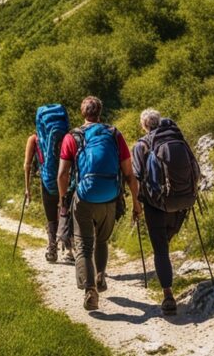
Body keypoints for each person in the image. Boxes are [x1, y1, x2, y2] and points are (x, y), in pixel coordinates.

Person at [58, 96, 141, 311]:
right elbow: (129, 174)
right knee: (102, 240)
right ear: (100, 112)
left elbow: (62, 174)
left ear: (82, 113)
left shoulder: (72, 137)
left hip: (84, 198)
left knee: (84, 247)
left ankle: (90, 290)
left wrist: (63, 199)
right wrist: (136, 203)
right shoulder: (114, 134)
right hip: (110, 197)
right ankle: (101, 275)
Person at [132, 108, 200, 316]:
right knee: (166, 241)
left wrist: (137, 206)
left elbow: (136, 177)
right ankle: (167, 272)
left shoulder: (141, 145)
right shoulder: (178, 140)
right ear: (159, 122)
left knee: (160, 249)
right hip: (182, 202)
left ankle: (168, 295)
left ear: (144, 125)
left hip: (156, 205)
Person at [24, 132, 60, 262]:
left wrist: (27, 188)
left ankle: (52, 248)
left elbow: (27, 165)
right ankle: (70, 247)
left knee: (50, 215)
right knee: (65, 211)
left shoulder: (34, 138)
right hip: (65, 178)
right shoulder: (63, 133)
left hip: (47, 181)